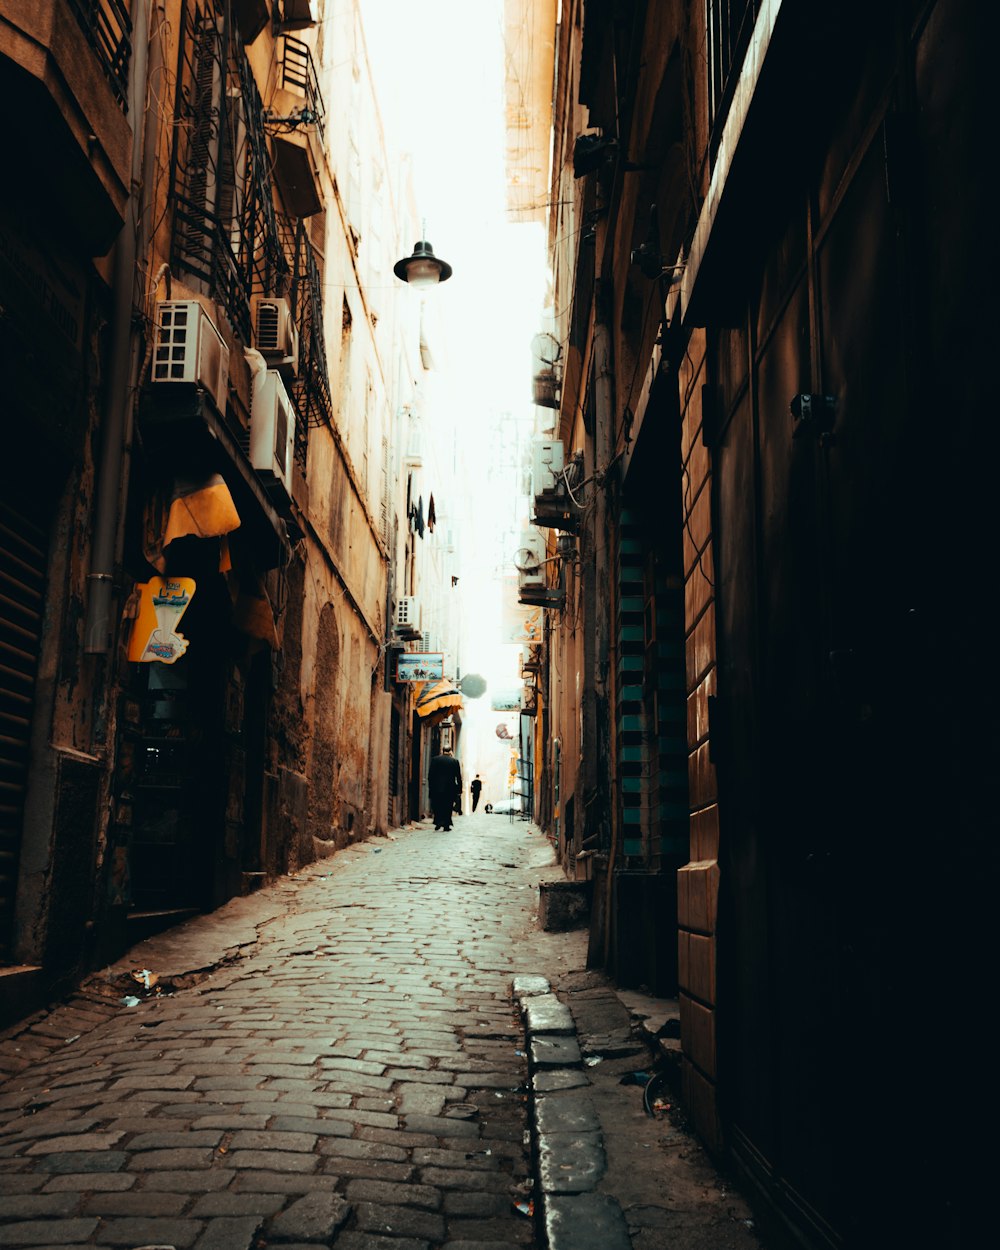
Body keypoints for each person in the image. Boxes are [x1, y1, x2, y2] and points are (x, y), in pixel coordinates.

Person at [428, 746, 462, 831]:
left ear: (442, 751)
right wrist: (459, 790)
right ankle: (446, 825)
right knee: (448, 806)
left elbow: (430, 775)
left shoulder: (435, 760)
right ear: (450, 751)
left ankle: (438, 822)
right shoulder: (454, 761)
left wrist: (431, 787)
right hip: (450, 789)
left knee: (438, 805)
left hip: (437, 788)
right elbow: (458, 777)